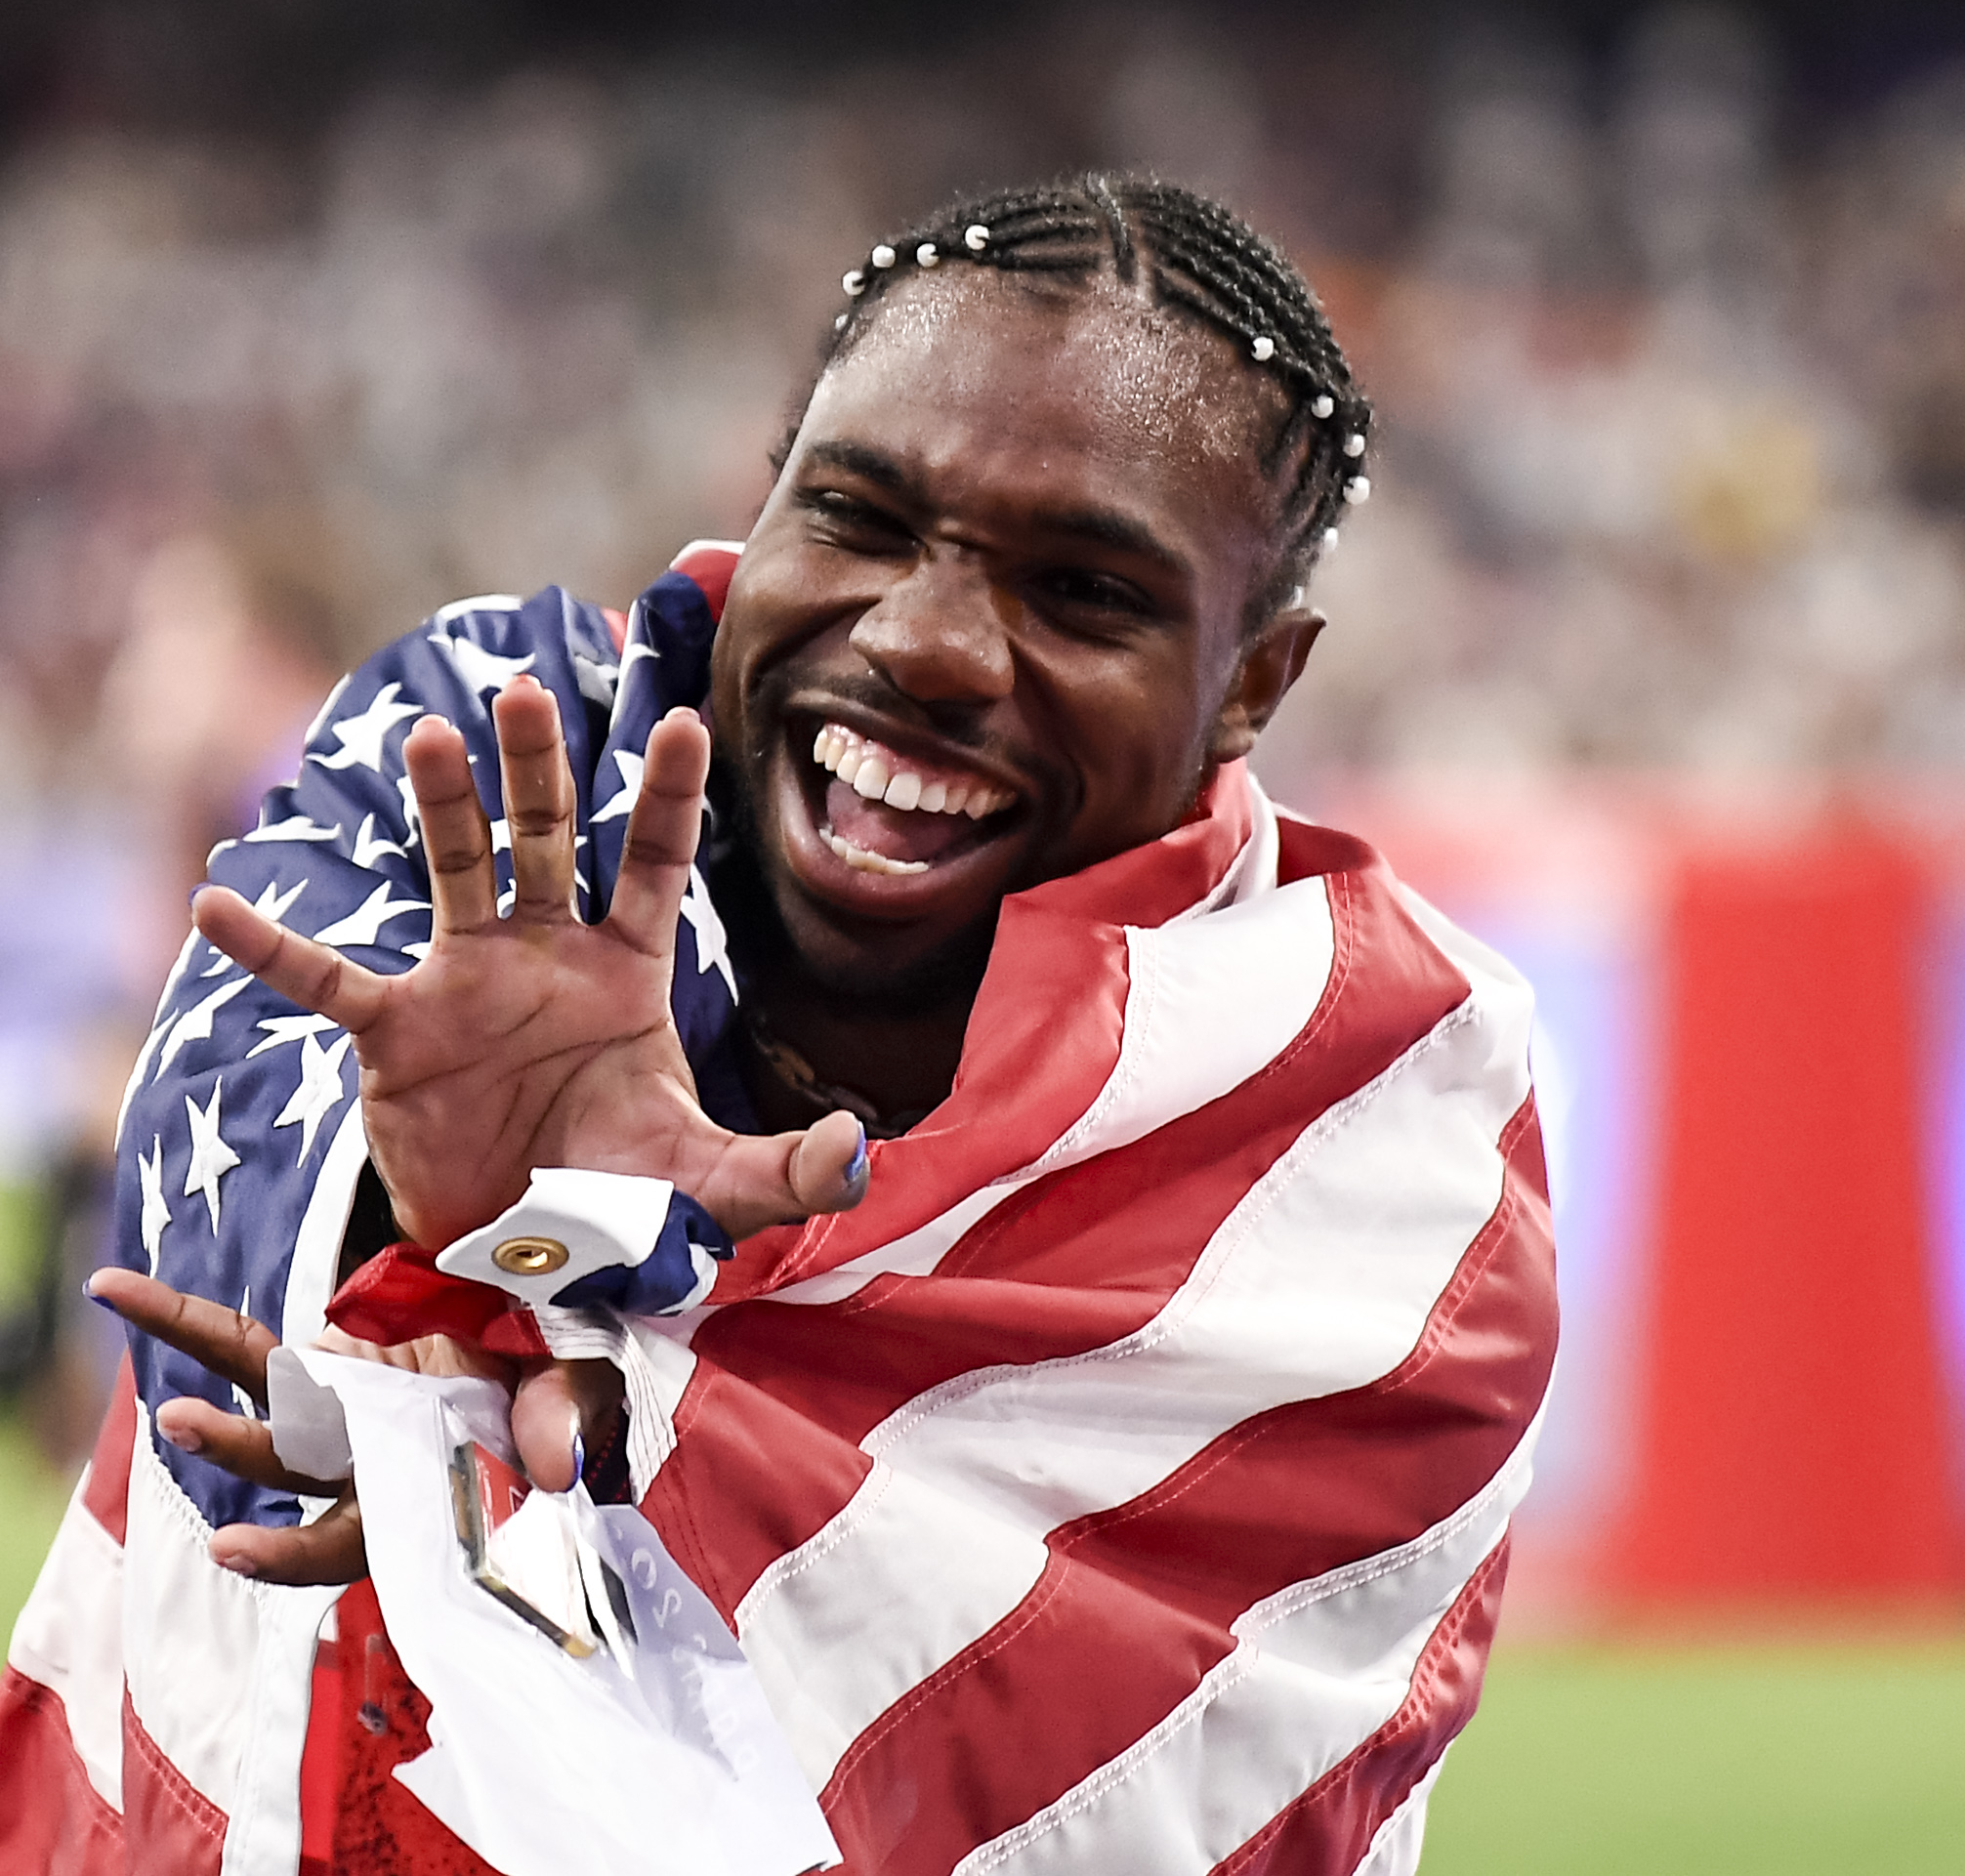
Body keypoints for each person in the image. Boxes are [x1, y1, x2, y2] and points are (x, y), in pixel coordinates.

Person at [0, 174, 1556, 1876]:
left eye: (1085, 591)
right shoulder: (492, 743)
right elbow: (201, 1236)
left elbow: (1128, 1768)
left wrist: (593, 1436)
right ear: (773, 490)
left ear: (1258, 676)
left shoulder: (1371, 1112)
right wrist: (432, 1226)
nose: (927, 642)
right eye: (864, 518)